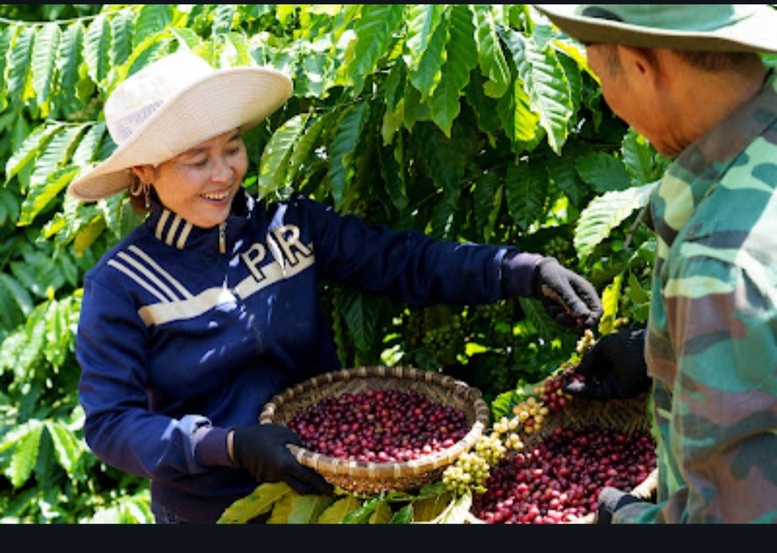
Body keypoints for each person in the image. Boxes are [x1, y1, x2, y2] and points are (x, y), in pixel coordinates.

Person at [68, 49, 603, 524]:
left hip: (331, 493)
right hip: (212, 511)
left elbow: (402, 260)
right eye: (196, 160)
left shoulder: (288, 225)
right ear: (143, 172)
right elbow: (112, 424)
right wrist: (227, 445)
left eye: (232, 148)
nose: (224, 174)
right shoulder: (122, 284)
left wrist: (520, 269)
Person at [533, 4, 777, 524]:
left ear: (641, 66)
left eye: (600, 76)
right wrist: (659, 350)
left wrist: (625, 520)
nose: (606, 99)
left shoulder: (719, 261)